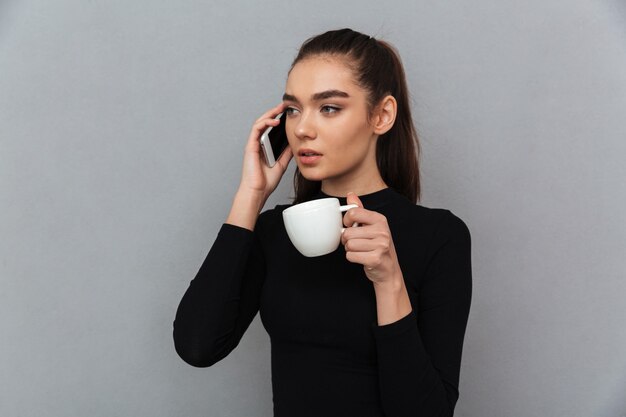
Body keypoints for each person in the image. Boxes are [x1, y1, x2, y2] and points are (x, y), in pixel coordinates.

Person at [173, 28, 472, 417]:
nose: (301, 129)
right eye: (293, 109)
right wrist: (251, 195)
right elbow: (197, 346)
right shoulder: (272, 233)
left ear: (381, 115)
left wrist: (388, 282)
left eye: (329, 108)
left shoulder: (439, 236)